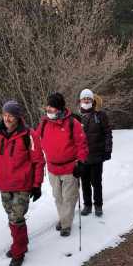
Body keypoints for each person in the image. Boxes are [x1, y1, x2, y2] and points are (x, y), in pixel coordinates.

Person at [0, 100, 45, 266]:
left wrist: (37, 184)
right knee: (11, 216)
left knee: (16, 218)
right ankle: (21, 243)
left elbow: (38, 161)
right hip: (3, 184)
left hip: (22, 184)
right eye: (4, 114)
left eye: (10, 115)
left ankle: (18, 252)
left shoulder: (29, 135)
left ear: (18, 117)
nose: (7, 118)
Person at [38, 92, 88, 237]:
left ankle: (66, 224)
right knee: (58, 197)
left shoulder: (73, 123)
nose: (48, 110)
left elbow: (82, 145)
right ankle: (63, 217)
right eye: (48, 107)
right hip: (53, 168)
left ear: (59, 109)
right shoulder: (44, 123)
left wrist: (81, 162)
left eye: (52, 108)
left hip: (69, 168)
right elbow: (35, 139)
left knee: (69, 197)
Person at [78, 89, 112, 217]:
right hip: (82, 157)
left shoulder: (100, 115)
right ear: (80, 101)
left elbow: (108, 133)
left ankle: (98, 205)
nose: (86, 101)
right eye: (84, 99)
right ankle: (87, 205)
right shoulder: (76, 117)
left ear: (93, 101)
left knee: (96, 182)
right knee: (85, 183)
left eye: (89, 99)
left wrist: (108, 149)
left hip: (97, 155)